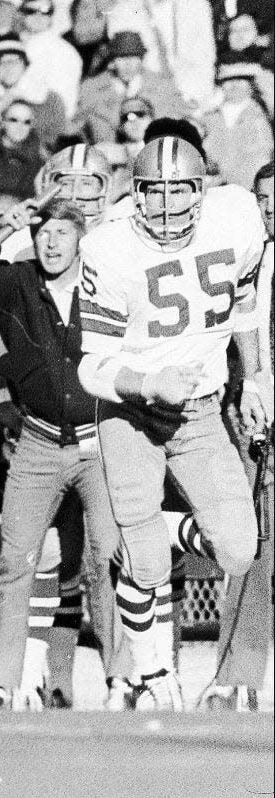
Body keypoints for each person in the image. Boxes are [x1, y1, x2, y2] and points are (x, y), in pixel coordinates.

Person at [77, 136, 267, 709]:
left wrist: (254, 378)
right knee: (147, 563)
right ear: (134, 195)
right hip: (130, 410)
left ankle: (163, 530)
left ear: (201, 190)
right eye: (153, 193)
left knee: (239, 549)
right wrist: (147, 382)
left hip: (200, 409)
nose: (164, 206)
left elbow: (246, 304)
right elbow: (92, 365)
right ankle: (156, 676)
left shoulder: (235, 219)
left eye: (178, 190)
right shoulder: (109, 247)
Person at [0, 197, 121, 710]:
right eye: (45, 233)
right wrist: (1, 227)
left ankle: (123, 678)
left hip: (100, 440)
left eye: (62, 234)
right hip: (40, 439)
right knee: (15, 560)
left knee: (106, 557)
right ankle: (2, 682)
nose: (51, 243)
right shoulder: (19, 281)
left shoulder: (105, 278)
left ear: (81, 239)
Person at [203, 160, 273, 712]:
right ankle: (238, 675)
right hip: (256, 421)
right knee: (257, 549)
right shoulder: (244, 259)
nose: (271, 207)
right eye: (264, 198)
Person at [76, 31, 189, 144]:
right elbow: (80, 127)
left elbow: (178, 121)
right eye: (122, 57)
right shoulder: (92, 88)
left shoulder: (163, 85)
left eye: (133, 57)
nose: (128, 64)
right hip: (109, 153)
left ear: (141, 59)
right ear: (112, 61)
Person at [201, 62, 273, 190]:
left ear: (251, 84)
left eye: (240, 79)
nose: (234, 85)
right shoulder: (209, 118)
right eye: (228, 80)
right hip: (214, 191)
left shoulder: (262, 115)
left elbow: (261, 160)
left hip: (249, 190)